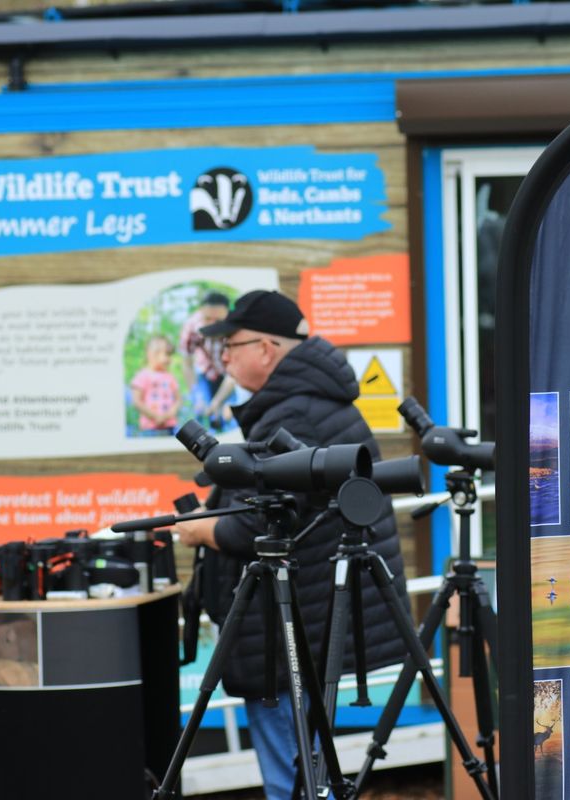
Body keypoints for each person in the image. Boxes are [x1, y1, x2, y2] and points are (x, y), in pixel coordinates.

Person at [171, 290, 409, 800]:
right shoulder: (305, 402)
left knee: (292, 780)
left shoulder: (293, 414)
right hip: (301, 620)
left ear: (268, 348)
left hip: (289, 629)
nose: (224, 358)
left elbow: (253, 526)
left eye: (231, 345)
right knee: (304, 771)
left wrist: (194, 529)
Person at [178, 292, 230, 421]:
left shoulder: (235, 329)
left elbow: (235, 374)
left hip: (230, 374)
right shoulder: (191, 326)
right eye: (207, 319)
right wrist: (197, 396)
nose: (212, 325)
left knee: (229, 415)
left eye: (218, 320)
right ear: (200, 312)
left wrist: (217, 401)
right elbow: (187, 365)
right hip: (204, 371)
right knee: (201, 413)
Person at [129, 334, 181, 434]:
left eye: (170, 355)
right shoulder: (142, 375)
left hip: (170, 426)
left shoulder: (170, 377)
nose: (169, 359)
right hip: (149, 428)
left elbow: (178, 399)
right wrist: (155, 416)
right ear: (152, 354)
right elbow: (136, 401)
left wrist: (170, 413)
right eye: (166, 354)